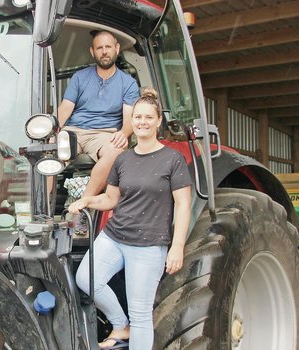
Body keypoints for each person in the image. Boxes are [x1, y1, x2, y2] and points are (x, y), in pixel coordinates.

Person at [69, 88, 192, 350]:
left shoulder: (172, 159)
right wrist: (88, 200)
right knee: (86, 279)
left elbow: (183, 204)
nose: (142, 122)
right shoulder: (123, 159)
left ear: (158, 121)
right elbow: (111, 199)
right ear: (132, 121)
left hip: (148, 245)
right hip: (115, 236)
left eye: (149, 117)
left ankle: (128, 327)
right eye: (138, 117)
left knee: (141, 315)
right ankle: (119, 324)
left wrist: (177, 247)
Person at [58, 29, 139, 200]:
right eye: (99, 47)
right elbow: (65, 108)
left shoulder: (128, 83)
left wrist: (124, 133)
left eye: (108, 47)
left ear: (117, 49)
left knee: (116, 150)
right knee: (48, 151)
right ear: (92, 51)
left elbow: (129, 119)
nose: (104, 51)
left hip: (104, 134)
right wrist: (53, 130)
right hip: (74, 131)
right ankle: (43, 212)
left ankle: (84, 201)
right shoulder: (79, 77)